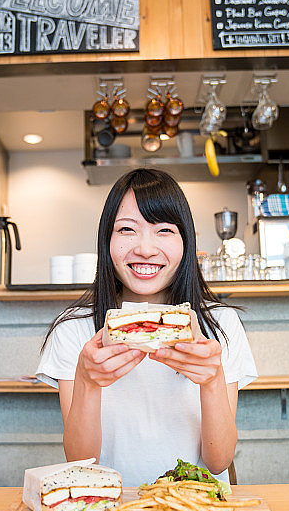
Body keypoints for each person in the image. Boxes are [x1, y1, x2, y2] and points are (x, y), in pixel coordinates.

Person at [37, 168, 257, 487]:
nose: (145, 248)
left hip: (197, 507)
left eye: (164, 230)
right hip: (114, 509)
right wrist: (87, 380)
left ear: (186, 241)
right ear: (106, 240)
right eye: (127, 229)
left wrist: (212, 379)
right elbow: (82, 463)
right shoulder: (74, 329)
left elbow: (219, 460)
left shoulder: (218, 324)